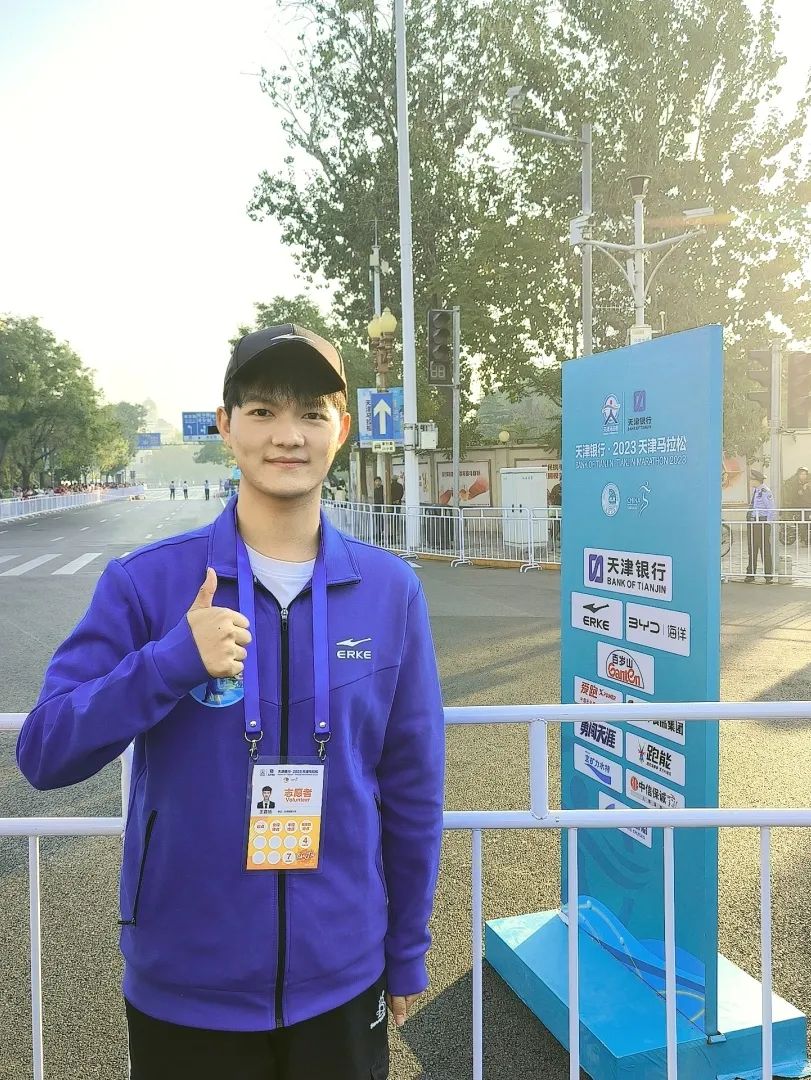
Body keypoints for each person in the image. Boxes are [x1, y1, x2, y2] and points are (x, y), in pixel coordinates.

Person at [17, 321, 445, 1080]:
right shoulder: (147, 582)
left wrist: (405, 949)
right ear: (226, 425)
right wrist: (168, 663)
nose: (288, 435)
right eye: (262, 411)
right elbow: (45, 751)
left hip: (343, 978)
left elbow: (412, 785)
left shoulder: (390, 590)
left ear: (342, 429)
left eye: (311, 412)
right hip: (186, 986)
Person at [745, 468, 777, 583]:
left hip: (762, 523)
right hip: (753, 523)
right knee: (752, 549)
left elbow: (771, 509)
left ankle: (768, 576)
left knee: (765, 549)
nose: (750, 481)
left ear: (756, 480)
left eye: (751, 479)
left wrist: (767, 523)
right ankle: (750, 574)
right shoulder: (756, 491)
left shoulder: (765, 491)